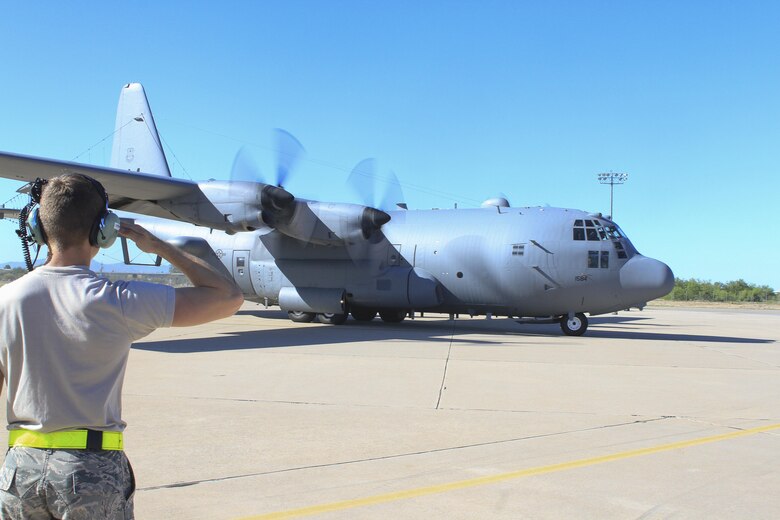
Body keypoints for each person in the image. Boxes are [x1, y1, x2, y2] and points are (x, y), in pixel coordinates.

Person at [0, 173, 243, 518]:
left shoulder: (4, 300)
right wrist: (159, 246)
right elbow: (228, 297)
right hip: (90, 470)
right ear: (106, 229)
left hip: (20, 470)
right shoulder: (118, 300)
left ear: (37, 227)